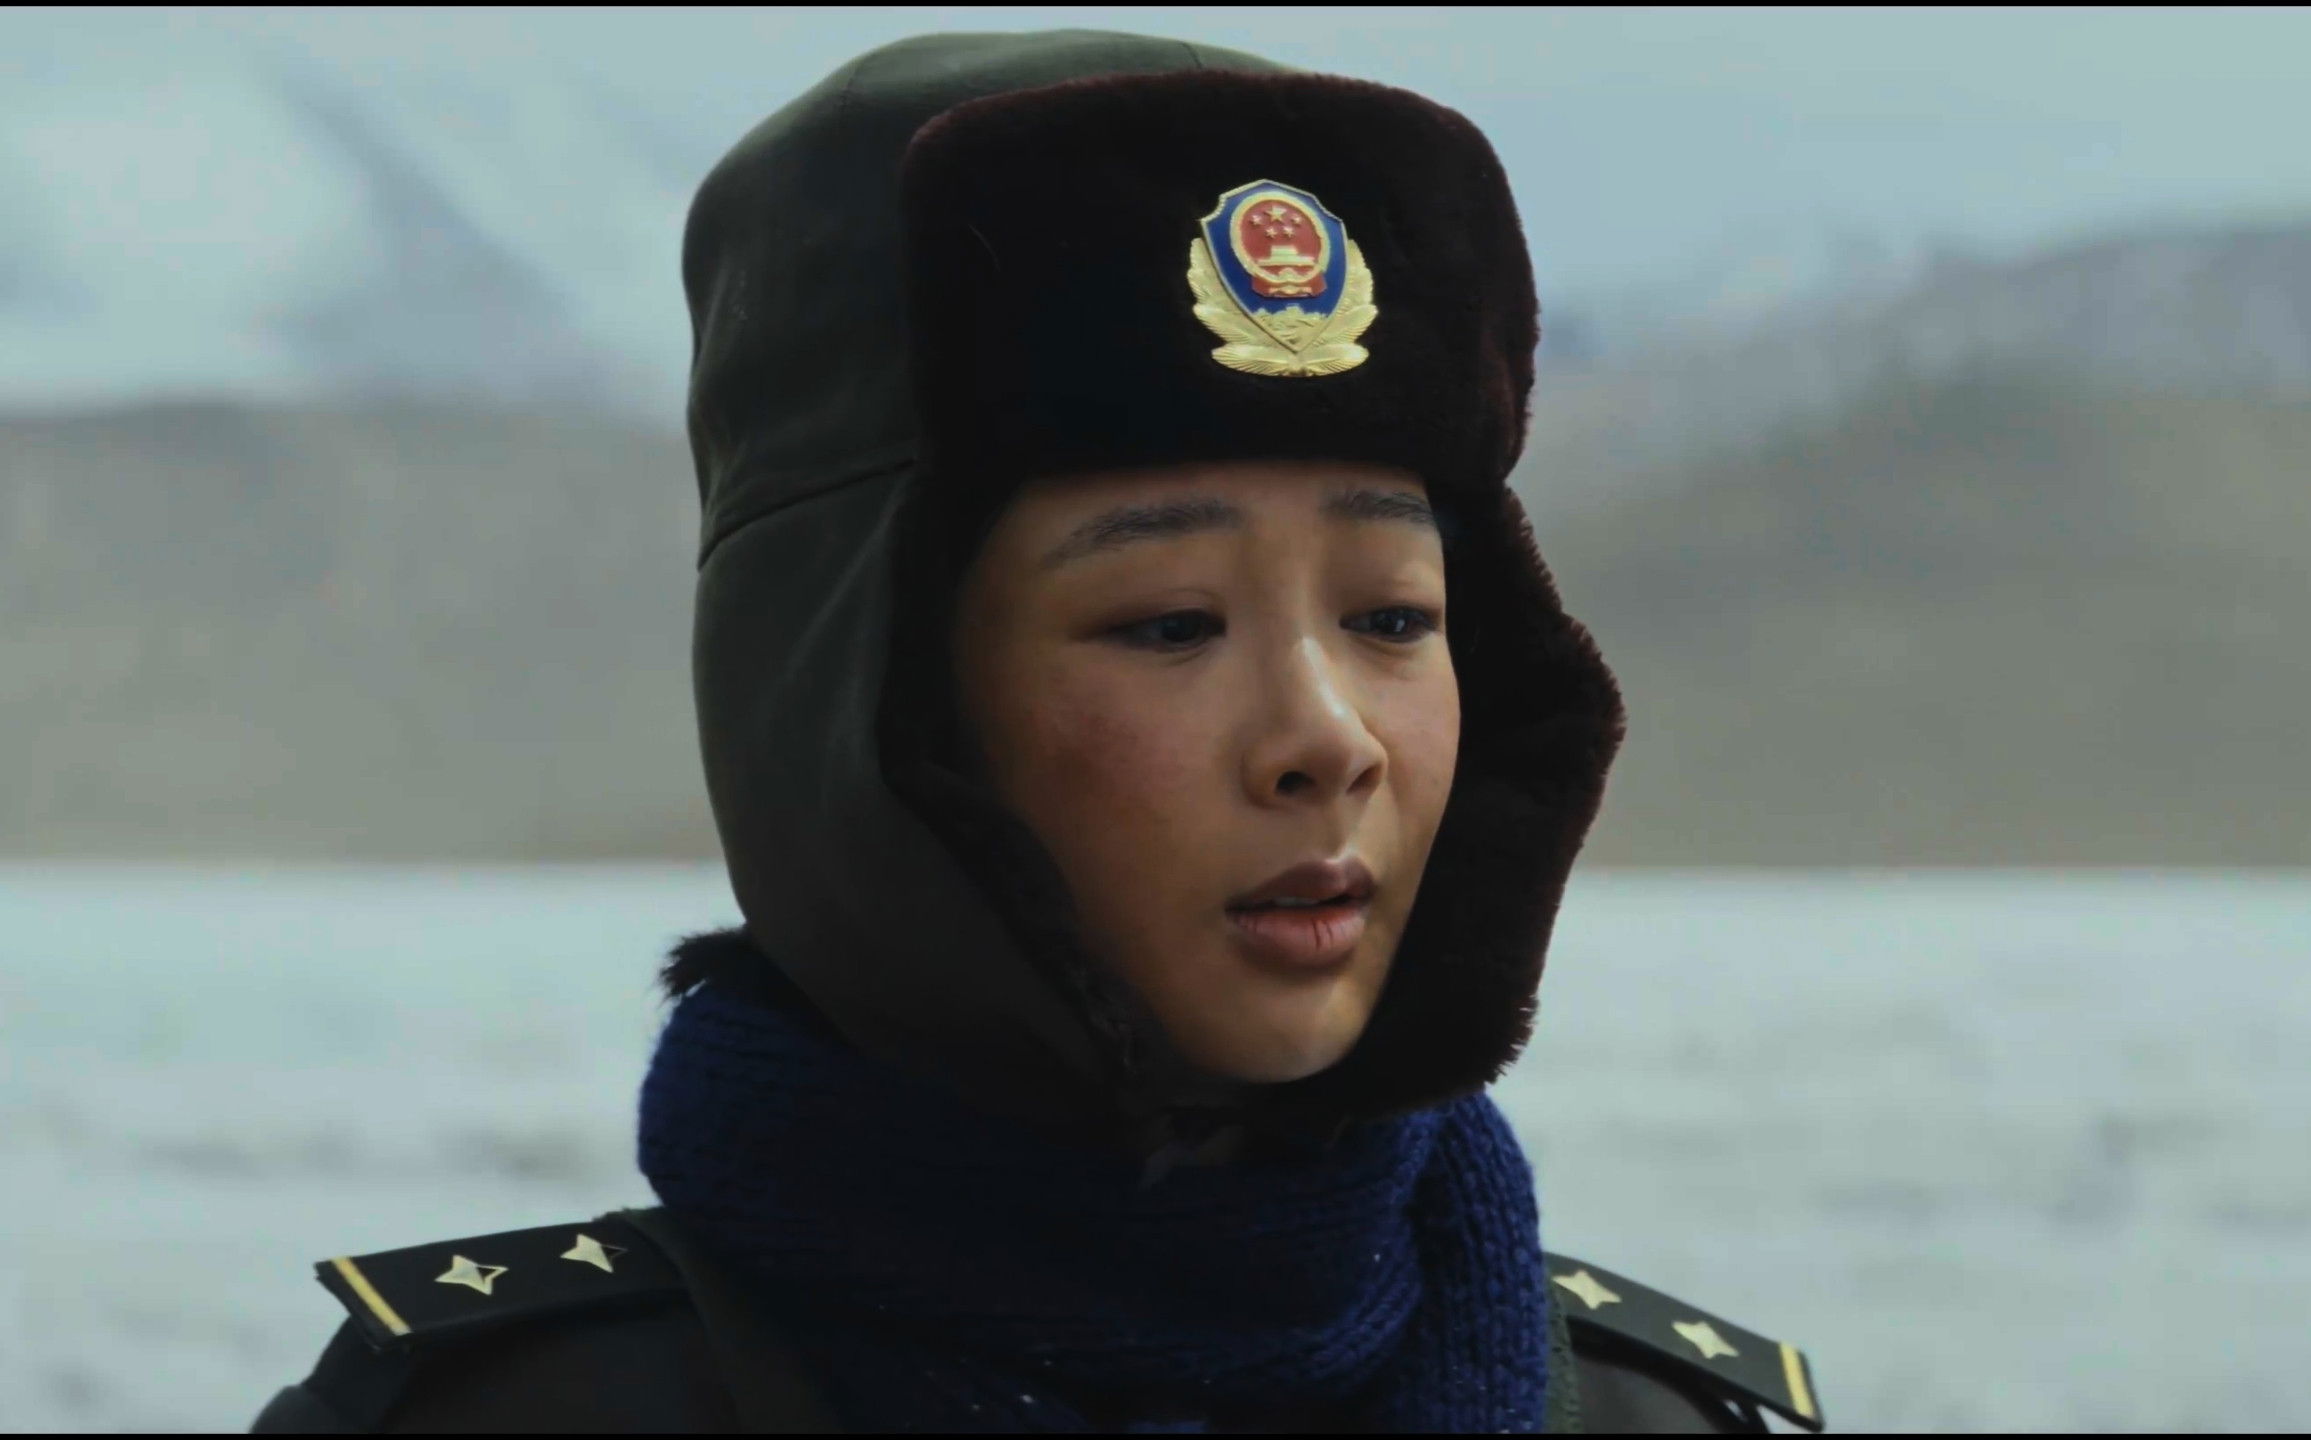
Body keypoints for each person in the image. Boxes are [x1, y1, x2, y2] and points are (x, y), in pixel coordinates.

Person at [250, 28, 1825, 1434]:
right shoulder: (523, 1412)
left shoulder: (1648, 1419)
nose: (1326, 735)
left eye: (1396, 617)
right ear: (865, 706)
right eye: (1171, 623)